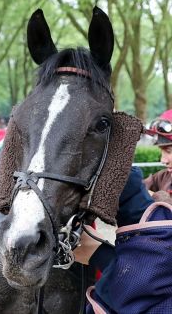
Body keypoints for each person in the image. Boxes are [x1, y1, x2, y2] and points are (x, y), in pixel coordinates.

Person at [74, 166, 172, 313]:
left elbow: (153, 302)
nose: (164, 159)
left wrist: (101, 257)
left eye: (169, 151)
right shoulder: (164, 175)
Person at [144, 109, 172, 195]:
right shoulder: (164, 177)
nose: (163, 160)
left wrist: (156, 197)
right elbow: (135, 187)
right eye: (161, 151)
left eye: (168, 151)